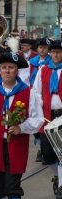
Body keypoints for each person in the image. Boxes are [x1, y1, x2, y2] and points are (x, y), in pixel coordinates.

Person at [0, 51, 44, 199]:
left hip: (16, 144)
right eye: (4, 67)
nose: (7, 71)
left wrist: (21, 127)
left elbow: (38, 118)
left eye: (11, 67)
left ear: (17, 70)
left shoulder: (28, 93)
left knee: (13, 187)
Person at [33, 40, 62, 198]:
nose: (55, 55)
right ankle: (57, 175)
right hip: (47, 115)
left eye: (58, 52)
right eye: (53, 52)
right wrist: (40, 105)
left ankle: (61, 186)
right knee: (47, 152)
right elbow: (36, 90)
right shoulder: (43, 69)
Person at [28, 37, 52, 163]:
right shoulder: (31, 62)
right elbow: (26, 80)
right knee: (35, 127)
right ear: (37, 49)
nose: (42, 50)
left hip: (48, 96)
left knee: (47, 126)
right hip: (34, 95)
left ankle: (48, 151)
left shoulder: (51, 62)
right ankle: (40, 149)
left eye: (45, 48)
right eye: (40, 47)